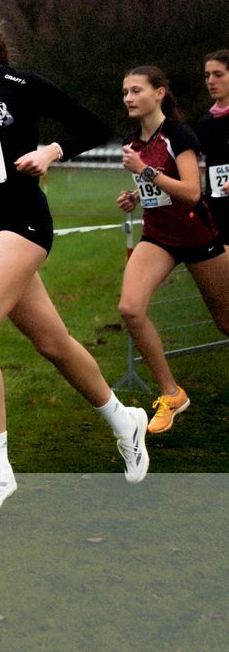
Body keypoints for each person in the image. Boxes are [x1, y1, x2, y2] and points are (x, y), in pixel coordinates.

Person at [0, 0, 149, 512]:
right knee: (53, 342)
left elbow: (93, 127)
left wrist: (51, 152)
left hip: (22, 224)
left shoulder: (21, 87)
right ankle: (123, 418)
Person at [116, 64, 229, 432]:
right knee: (130, 309)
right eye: (125, 93)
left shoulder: (179, 134)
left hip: (198, 236)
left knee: (226, 322)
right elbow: (159, 193)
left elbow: (192, 193)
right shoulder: (134, 143)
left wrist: (146, 173)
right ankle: (171, 393)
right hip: (159, 237)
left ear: (159, 93)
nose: (129, 98)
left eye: (136, 91)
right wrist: (136, 196)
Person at [196, 48, 229, 247]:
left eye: (218, 74)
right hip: (217, 211)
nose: (210, 81)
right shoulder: (206, 122)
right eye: (207, 75)